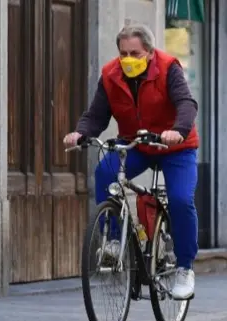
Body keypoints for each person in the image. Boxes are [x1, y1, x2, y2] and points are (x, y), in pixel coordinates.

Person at [63, 24, 199, 300]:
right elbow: (97, 114)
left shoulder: (169, 68)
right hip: (138, 144)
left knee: (181, 199)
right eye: (123, 53)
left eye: (134, 53)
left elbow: (186, 104)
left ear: (149, 53)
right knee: (105, 172)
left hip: (175, 147)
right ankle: (114, 240)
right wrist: (81, 132)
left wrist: (178, 131)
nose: (127, 59)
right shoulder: (111, 75)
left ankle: (184, 267)